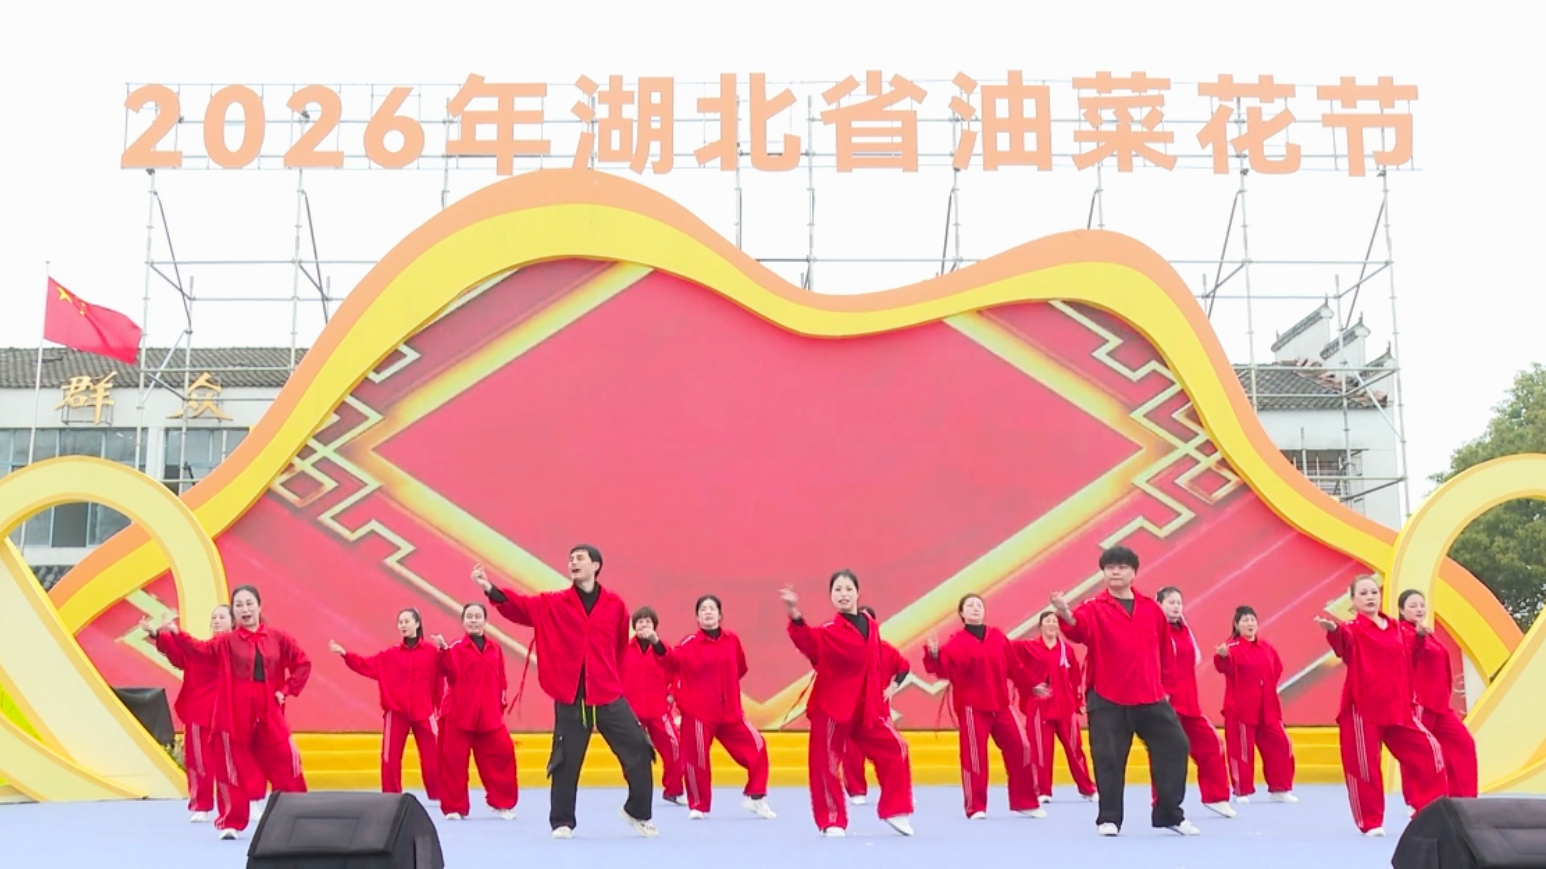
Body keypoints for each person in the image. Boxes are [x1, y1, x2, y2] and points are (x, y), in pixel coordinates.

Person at [475, 545, 658, 839]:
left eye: (580, 558)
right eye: (571, 559)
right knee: (565, 760)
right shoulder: (555, 603)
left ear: (596, 565)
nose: (573, 562)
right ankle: (562, 821)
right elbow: (520, 607)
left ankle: (637, 811)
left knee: (639, 747)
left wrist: (607, 676)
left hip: (607, 692)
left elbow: (620, 649)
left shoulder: (614, 605)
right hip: (572, 695)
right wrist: (490, 589)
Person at [1050, 546, 1199, 837]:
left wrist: (1167, 688)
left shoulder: (1151, 609)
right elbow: (1078, 629)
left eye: (1121, 567)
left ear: (1133, 572)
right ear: (1103, 573)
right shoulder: (1094, 607)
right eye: (1110, 568)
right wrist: (1065, 612)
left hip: (1150, 695)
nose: (1115, 572)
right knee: (1108, 758)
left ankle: (1169, 814)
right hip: (1108, 696)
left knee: (1175, 745)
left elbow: (1165, 651)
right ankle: (1109, 818)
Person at [149, 585, 310, 840]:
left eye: (249, 603)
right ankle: (231, 821)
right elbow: (199, 652)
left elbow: (302, 663)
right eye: (239, 605)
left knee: (285, 759)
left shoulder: (278, 637)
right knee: (232, 765)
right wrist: (176, 634)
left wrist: (286, 689)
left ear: (259, 606)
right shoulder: (227, 642)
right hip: (235, 711)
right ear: (235, 612)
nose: (245, 609)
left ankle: (298, 814)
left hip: (268, 709)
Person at [781, 571, 915, 837]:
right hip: (832, 708)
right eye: (838, 590)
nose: (843, 594)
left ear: (857, 592)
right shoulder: (829, 631)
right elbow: (809, 642)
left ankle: (896, 810)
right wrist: (795, 615)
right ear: (831, 596)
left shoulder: (871, 626)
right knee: (826, 764)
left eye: (848, 589)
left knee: (896, 748)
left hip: (866, 710)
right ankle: (832, 820)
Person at [1315, 575, 1447, 836]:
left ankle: (1429, 811)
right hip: (1363, 707)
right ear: (1353, 601)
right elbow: (1344, 644)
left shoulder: (1396, 627)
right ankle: (1371, 821)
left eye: (1374, 592)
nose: (1370, 597)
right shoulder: (1352, 629)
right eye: (1363, 593)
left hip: (1398, 708)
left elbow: (1412, 655)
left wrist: (1420, 638)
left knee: (1429, 751)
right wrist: (1333, 631)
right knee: (1364, 768)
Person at [923, 593, 1045, 819]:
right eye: (970, 605)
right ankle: (976, 807)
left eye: (979, 605)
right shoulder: (956, 643)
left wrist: (1032, 684)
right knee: (975, 757)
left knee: (1021, 747)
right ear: (962, 613)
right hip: (972, 707)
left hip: (1001, 704)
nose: (975, 608)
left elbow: (1014, 666)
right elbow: (943, 670)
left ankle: (1025, 801)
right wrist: (934, 655)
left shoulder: (998, 637)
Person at [669, 595, 776, 820]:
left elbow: (740, 668)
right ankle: (698, 805)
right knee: (696, 759)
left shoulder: (732, 640)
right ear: (697, 618)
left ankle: (756, 797)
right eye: (703, 609)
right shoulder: (689, 644)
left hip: (730, 712)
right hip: (698, 713)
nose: (708, 612)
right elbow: (671, 663)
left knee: (757, 746)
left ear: (720, 615)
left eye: (712, 609)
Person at [328, 608, 443, 802]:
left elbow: (440, 680)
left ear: (417, 624)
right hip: (396, 711)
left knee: (433, 755)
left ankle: (438, 794)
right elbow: (366, 664)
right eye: (400, 622)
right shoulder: (391, 655)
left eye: (407, 621)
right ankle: (391, 797)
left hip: (424, 711)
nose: (403, 625)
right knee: (390, 758)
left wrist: (439, 707)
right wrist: (346, 655)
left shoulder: (432, 652)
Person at [430, 603, 518, 820]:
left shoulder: (495, 648)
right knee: (454, 761)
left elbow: (501, 679)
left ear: (485, 621)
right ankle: (454, 807)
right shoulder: (455, 648)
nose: (473, 620)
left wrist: (500, 705)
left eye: (478, 616)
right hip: (458, 713)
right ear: (463, 621)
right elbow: (448, 672)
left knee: (503, 753)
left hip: (489, 715)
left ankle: (502, 803)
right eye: (469, 616)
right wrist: (443, 651)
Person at [146, 604, 233, 823]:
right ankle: (202, 805)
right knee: (199, 761)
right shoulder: (200, 649)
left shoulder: (230, 646)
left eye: (222, 617)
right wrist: (158, 635)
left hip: (225, 711)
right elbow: (182, 658)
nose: (217, 620)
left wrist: (176, 632)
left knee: (230, 761)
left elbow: (199, 650)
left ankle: (238, 805)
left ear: (233, 622)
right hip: (198, 710)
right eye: (214, 617)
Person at [1155, 587, 1236, 819]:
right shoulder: (1155, 631)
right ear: (1159, 604)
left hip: (1189, 704)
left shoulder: (1184, 630)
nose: (1176, 607)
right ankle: (1162, 805)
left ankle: (1216, 797)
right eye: (1170, 602)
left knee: (1212, 744)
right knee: (1167, 754)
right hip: (1166, 704)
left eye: (1179, 602)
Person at [1396, 589, 1478, 809]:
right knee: (1420, 753)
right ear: (1402, 610)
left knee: (1463, 744)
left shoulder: (1428, 633)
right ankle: (1417, 801)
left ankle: (1463, 799)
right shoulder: (1402, 633)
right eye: (1412, 605)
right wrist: (1419, 637)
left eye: (1421, 605)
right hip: (1419, 703)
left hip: (1440, 705)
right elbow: (1410, 654)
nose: (1419, 609)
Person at [1213, 605, 1296, 804]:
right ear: (1236, 625)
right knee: (1241, 751)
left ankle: (1280, 788)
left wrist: (1263, 687)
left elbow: (1277, 669)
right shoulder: (1231, 647)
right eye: (1245, 620)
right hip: (1241, 709)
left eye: (1252, 620)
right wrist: (1222, 656)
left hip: (1268, 709)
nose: (1250, 624)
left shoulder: (1266, 647)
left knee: (1281, 744)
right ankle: (1242, 791)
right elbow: (1223, 666)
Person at [1011, 611, 1096, 803]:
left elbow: (1075, 678)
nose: (1051, 624)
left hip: (1065, 706)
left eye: (1055, 622)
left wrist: (1079, 702)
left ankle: (1087, 788)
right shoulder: (1028, 647)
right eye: (1047, 621)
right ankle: (1042, 790)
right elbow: (1008, 656)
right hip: (1039, 707)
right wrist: (1027, 684)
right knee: (1040, 750)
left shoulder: (1067, 651)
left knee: (1075, 749)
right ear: (1040, 626)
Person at [842, 605, 909, 806]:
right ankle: (856, 791)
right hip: (852, 710)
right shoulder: (845, 649)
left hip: (879, 710)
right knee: (852, 752)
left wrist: (893, 687)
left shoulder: (886, 649)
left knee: (889, 752)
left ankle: (893, 790)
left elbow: (903, 667)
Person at [621, 606, 685, 806]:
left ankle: (673, 790)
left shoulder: (662, 649)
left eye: (648, 621)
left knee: (675, 746)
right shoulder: (623, 649)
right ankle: (636, 792)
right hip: (632, 712)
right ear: (634, 626)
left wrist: (672, 693)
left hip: (658, 711)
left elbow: (676, 669)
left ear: (655, 626)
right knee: (634, 754)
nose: (644, 625)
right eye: (640, 622)